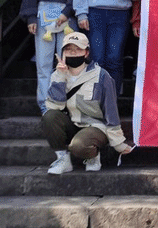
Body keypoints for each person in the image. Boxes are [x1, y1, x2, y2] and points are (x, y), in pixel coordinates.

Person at [42, 32, 132, 174]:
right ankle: (63, 159)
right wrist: (60, 77)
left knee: (79, 146)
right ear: (62, 52)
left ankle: (92, 156)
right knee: (49, 116)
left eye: (78, 49)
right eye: (68, 49)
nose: (73, 53)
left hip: (95, 127)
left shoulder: (101, 75)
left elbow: (111, 111)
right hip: (72, 123)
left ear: (86, 52)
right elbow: (54, 107)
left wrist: (118, 143)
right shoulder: (57, 74)